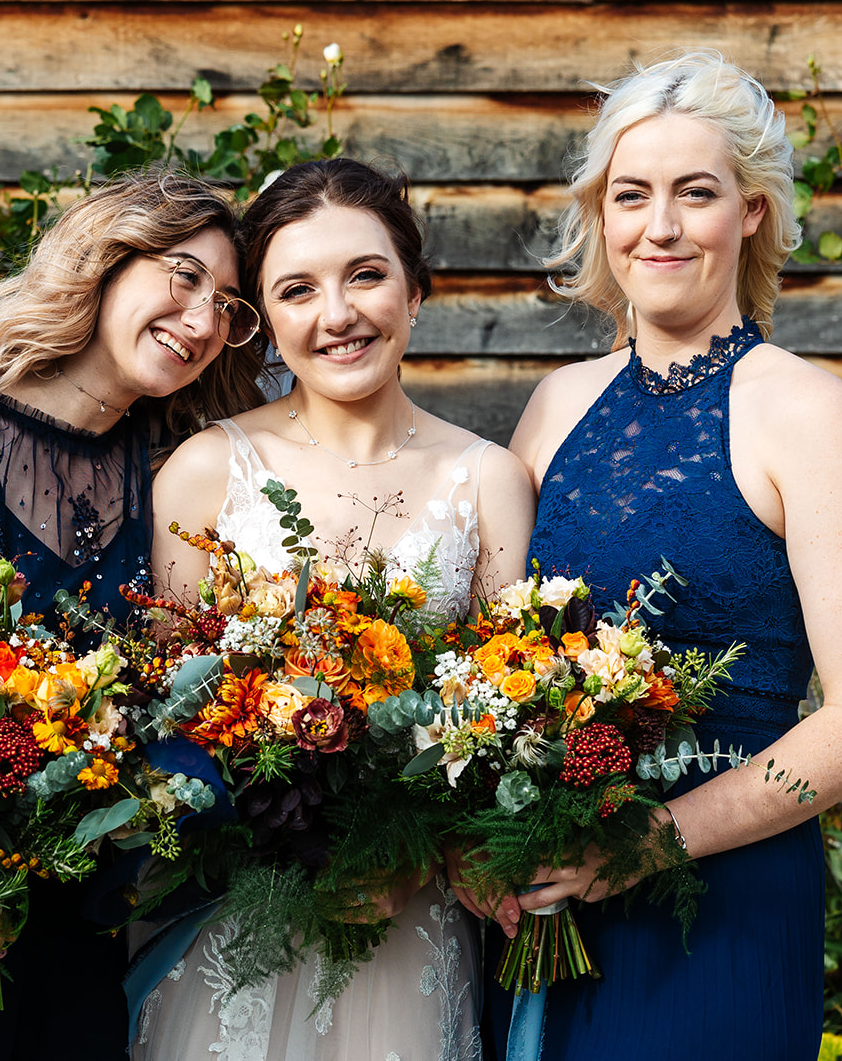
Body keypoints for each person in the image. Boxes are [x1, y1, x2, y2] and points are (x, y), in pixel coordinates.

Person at [485, 49, 842, 1059]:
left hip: (722, 897)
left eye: (695, 192)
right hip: (545, 885)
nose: (660, 225)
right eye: (631, 195)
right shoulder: (554, 407)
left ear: (751, 210)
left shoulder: (806, 412)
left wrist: (650, 840)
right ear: (602, 214)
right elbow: (487, 653)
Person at [0, 170, 268, 1061]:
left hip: (89, 928)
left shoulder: (182, 469)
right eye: (185, 277)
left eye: (228, 307)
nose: (203, 320)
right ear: (106, 258)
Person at [132, 157, 535, 1061]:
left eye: (366, 275)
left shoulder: (489, 480)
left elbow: (504, 713)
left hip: (410, 922)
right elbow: (169, 721)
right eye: (298, 289)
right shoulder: (208, 470)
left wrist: (421, 844)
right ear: (265, 321)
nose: (338, 314)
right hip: (240, 922)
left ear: (416, 292)